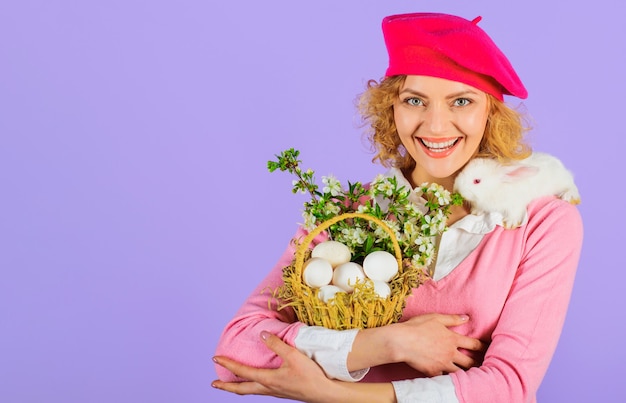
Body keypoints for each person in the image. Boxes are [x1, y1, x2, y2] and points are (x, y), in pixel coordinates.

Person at [211, 12, 583, 403]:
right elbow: (235, 350)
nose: (436, 125)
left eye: (461, 101)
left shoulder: (539, 222)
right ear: (391, 109)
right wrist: (392, 343)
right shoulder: (345, 214)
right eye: (414, 100)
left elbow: (508, 387)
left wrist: (331, 392)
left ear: (490, 112)